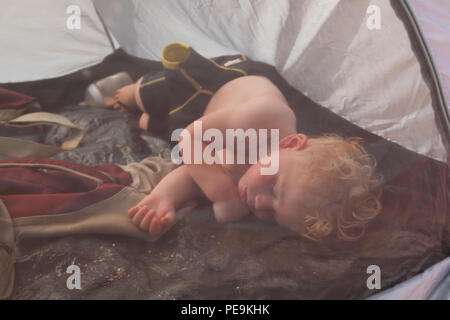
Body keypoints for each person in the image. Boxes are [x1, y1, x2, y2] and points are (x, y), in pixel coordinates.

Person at [112, 43, 382, 242]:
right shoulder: (263, 118)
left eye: (273, 214)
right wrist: (222, 193)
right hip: (212, 87)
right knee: (139, 97)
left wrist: (164, 197)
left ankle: (143, 118)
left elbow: (195, 171)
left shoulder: (264, 169)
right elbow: (190, 138)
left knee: (149, 124)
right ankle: (128, 89)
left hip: (201, 123)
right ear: (290, 143)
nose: (261, 203)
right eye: (275, 189)